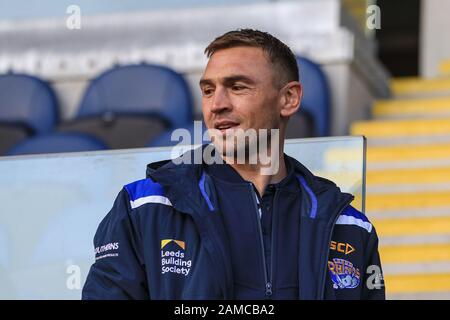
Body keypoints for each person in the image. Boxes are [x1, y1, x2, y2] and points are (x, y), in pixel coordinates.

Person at [82, 29, 385, 300]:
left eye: (238, 87)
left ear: (289, 99)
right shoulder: (144, 207)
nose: (217, 104)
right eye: (208, 90)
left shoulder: (349, 226)